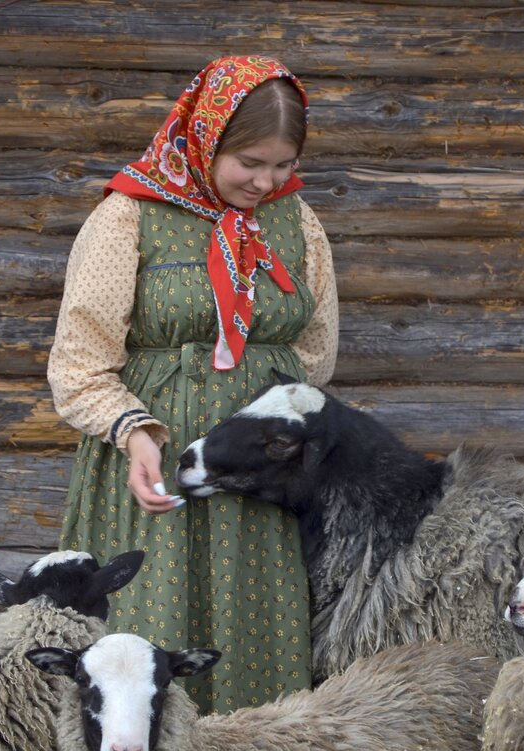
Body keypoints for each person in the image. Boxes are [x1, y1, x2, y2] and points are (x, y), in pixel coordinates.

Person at [47, 55, 339, 713]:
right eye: (249, 163)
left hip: (262, 481)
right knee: (152, 632)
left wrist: (271, 423)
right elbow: (79, 364)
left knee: (260, 631)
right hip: (154, 464)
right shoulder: (130, 215)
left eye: (283, 165)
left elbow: (313, 355)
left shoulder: (299, 223)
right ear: (206, 139)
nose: (267, 181)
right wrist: (137, 432)